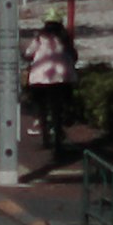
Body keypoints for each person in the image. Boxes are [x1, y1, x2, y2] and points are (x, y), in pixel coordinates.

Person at [20, 8, 76, 160]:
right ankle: (60, 137)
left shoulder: (40, 37)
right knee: (59, 107)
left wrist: (27, 56)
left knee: (41, 106)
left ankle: (44, 135)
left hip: (40, 78)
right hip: (62, 77)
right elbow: (74, 55)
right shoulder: (65, 38)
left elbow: (28, 53)